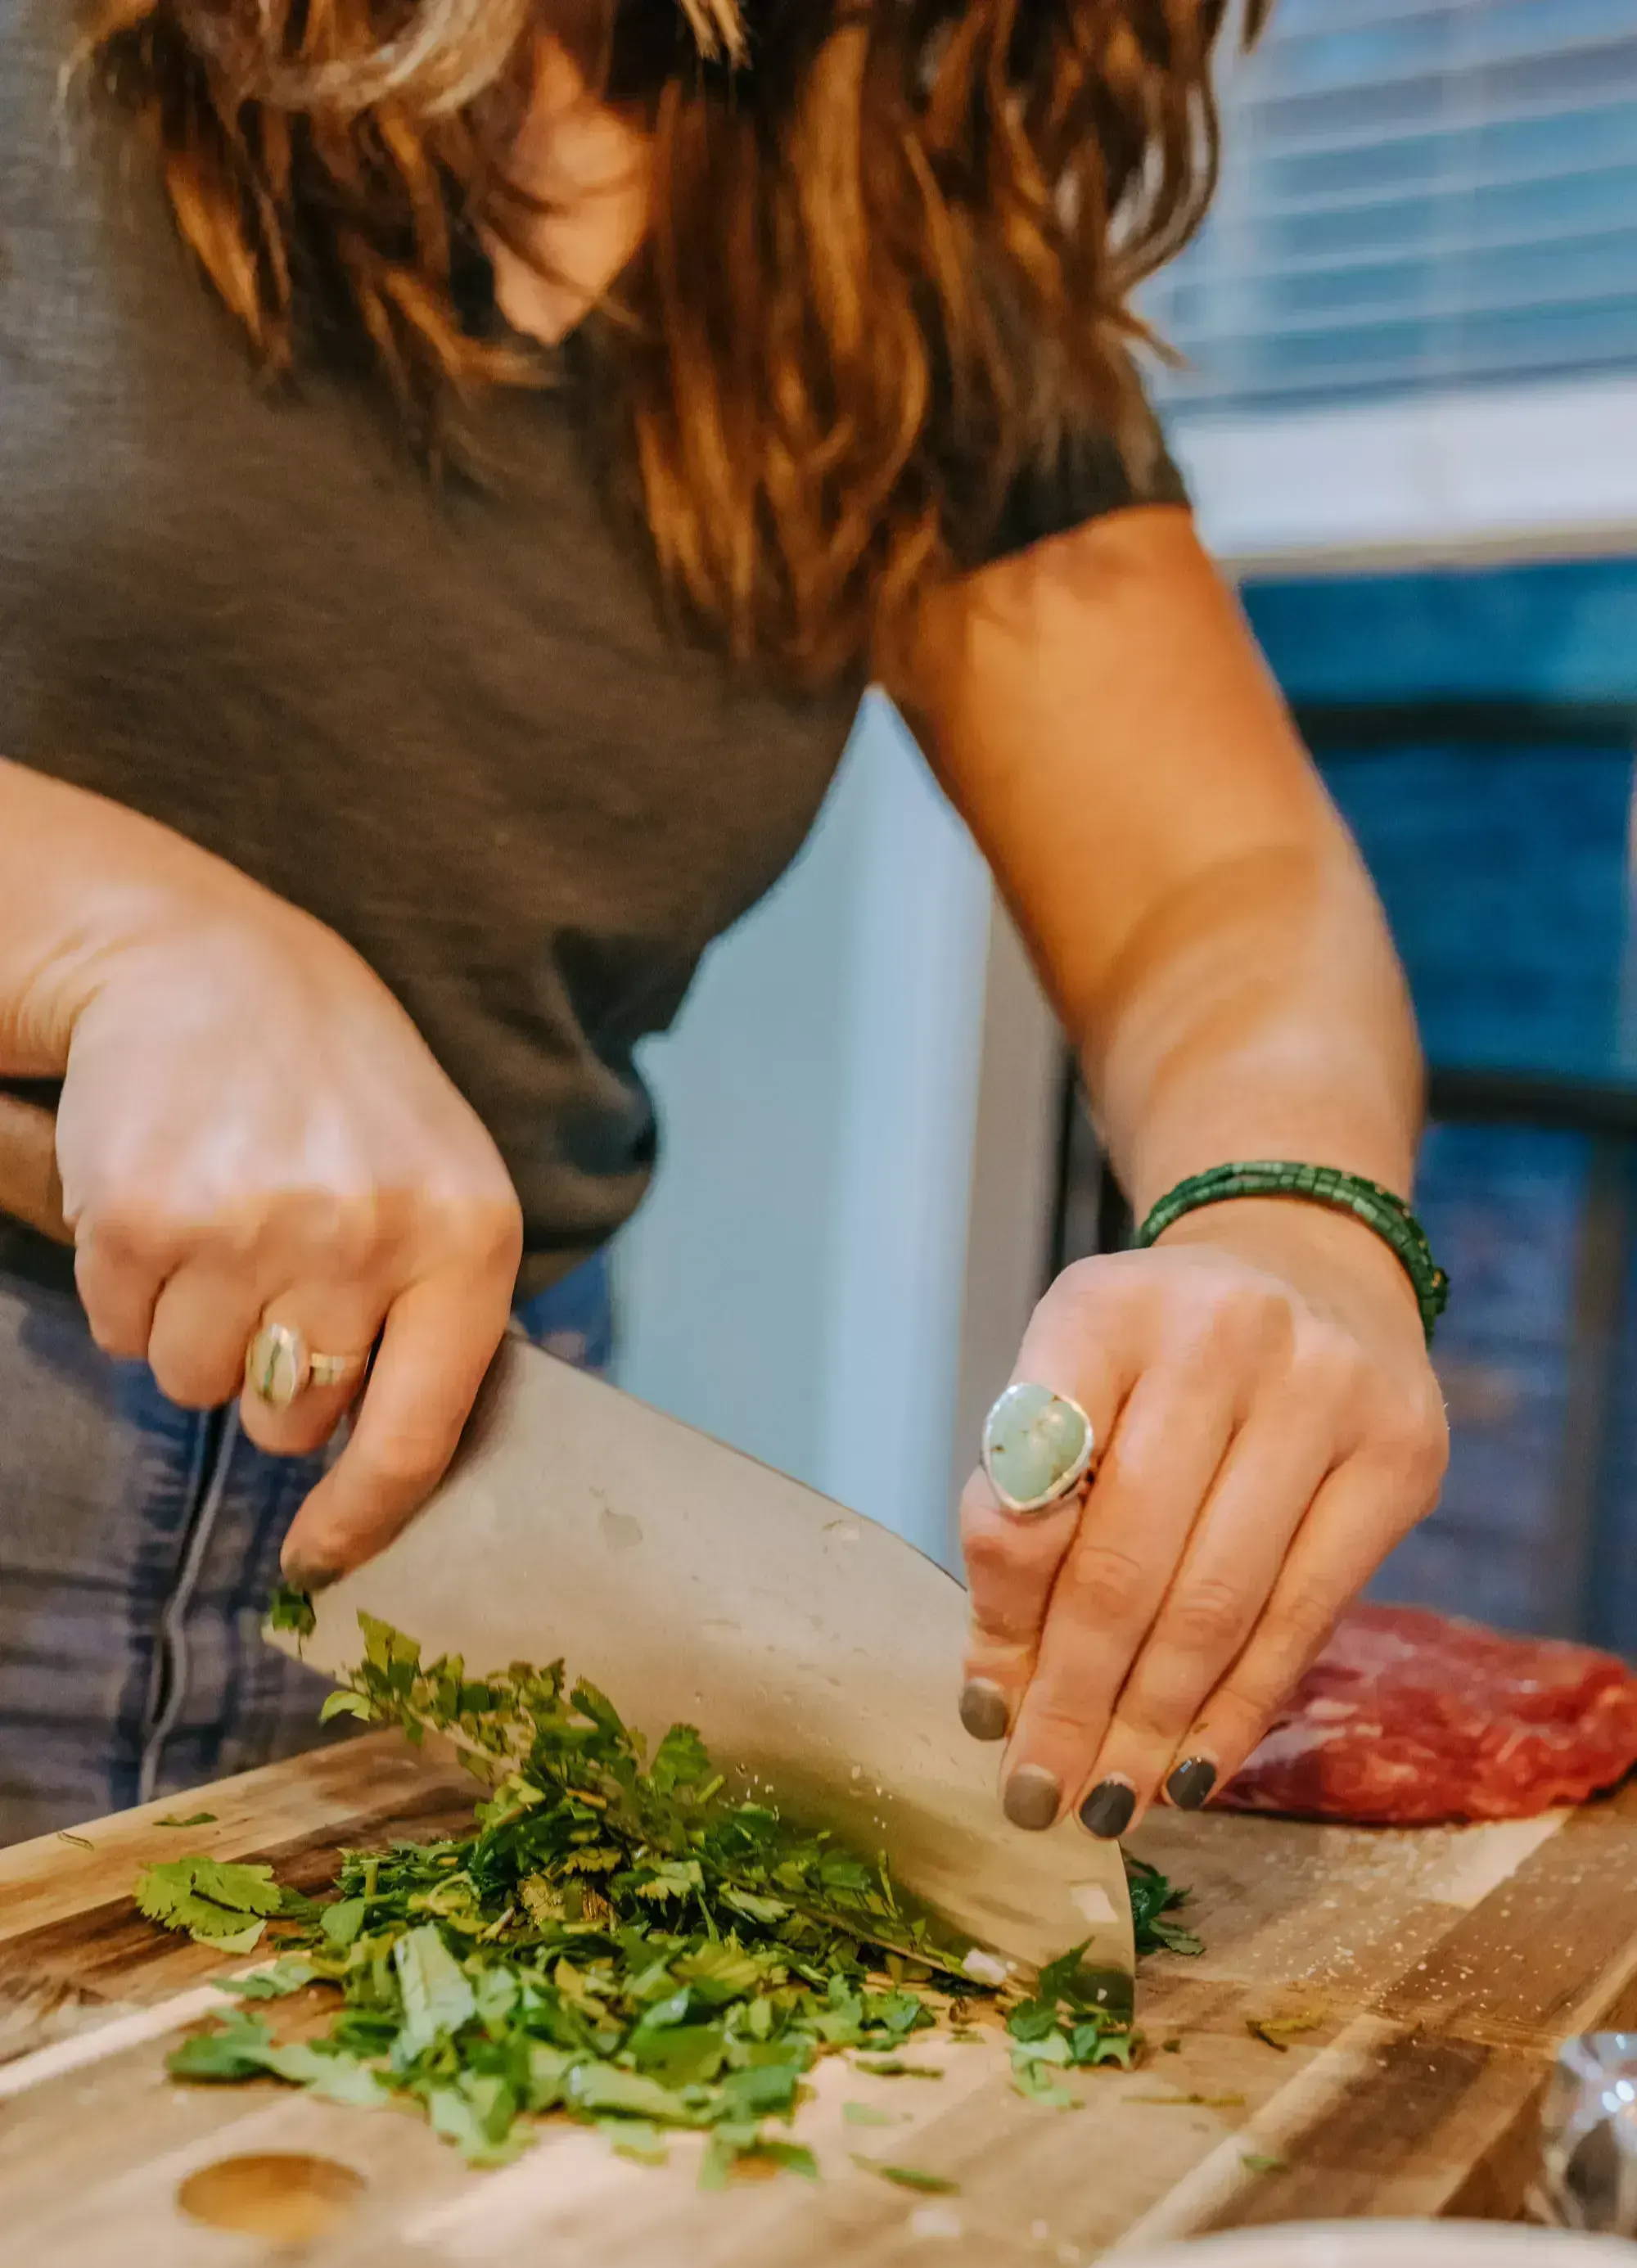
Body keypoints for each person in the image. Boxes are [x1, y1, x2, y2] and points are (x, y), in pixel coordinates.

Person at [0, 0, 1447, 1849]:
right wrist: (121, 937)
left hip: (459, 1531)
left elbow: (1211, 890)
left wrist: (1295, 1224)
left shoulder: (908, 249)